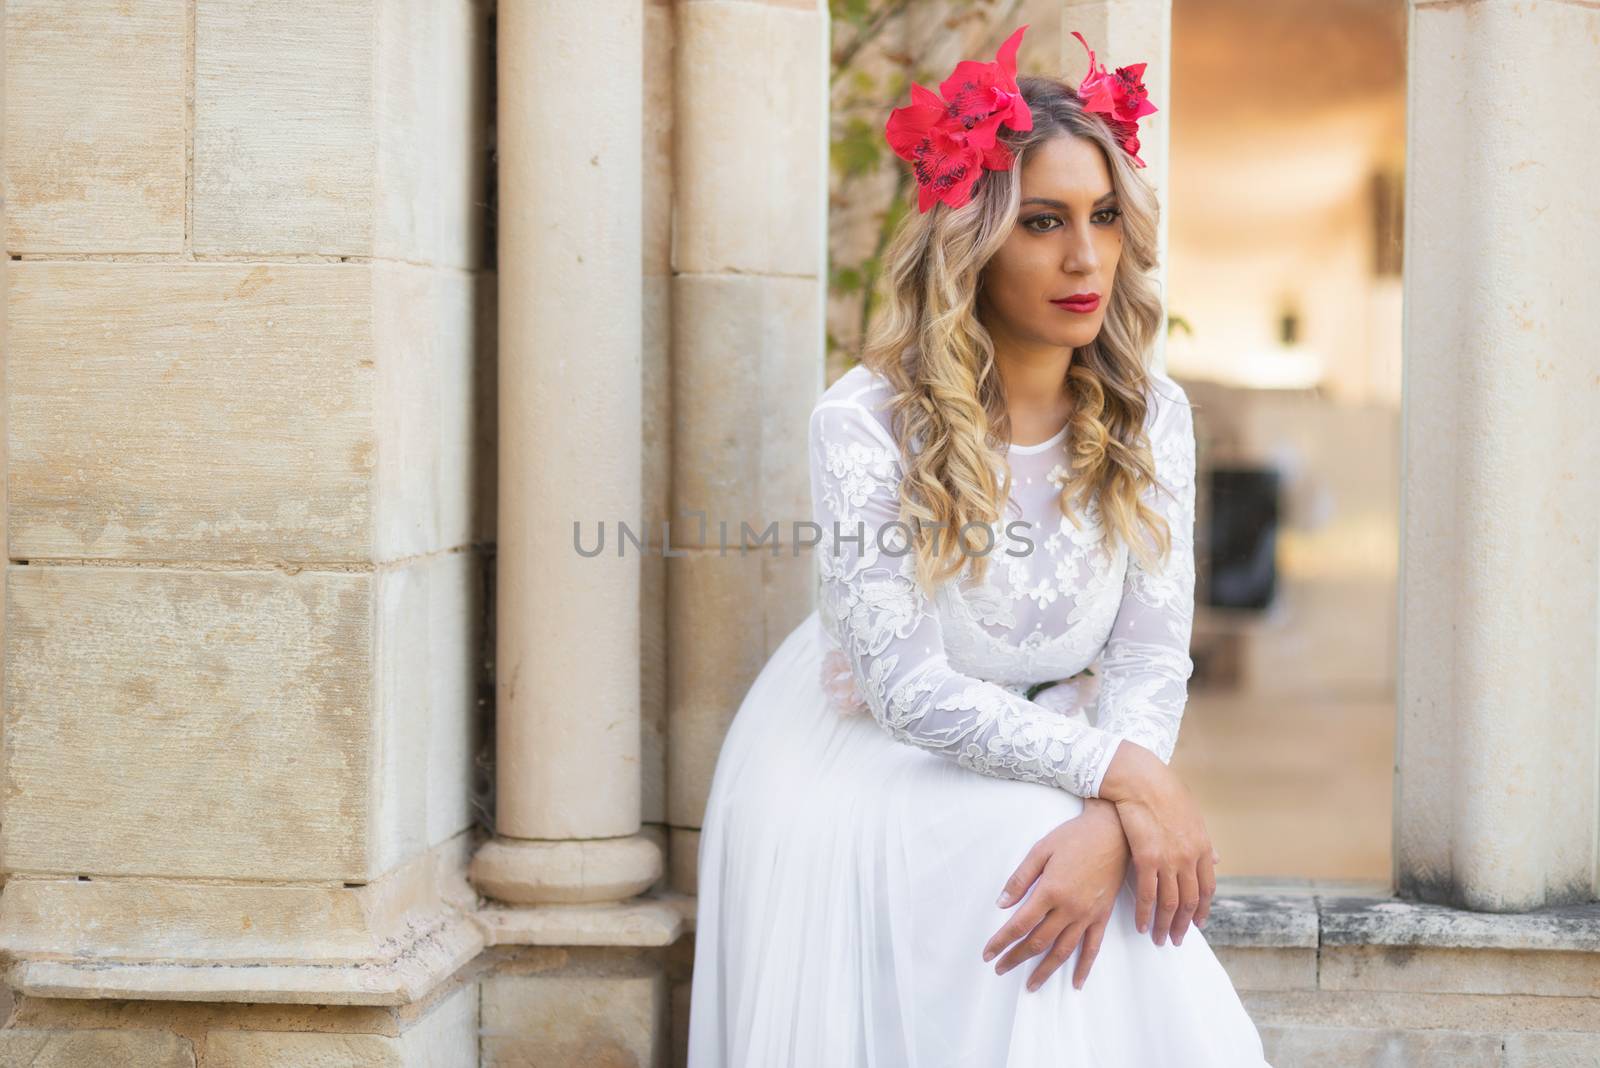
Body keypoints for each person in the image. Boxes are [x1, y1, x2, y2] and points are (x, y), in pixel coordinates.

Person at [686, 24, 1271, 1067]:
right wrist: (1131, 783)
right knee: (1026, 865)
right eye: (1042, 222)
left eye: (1101, 218)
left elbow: (1144, 655)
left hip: (1064, 743)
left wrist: (1110, 813)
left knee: (1101, 877)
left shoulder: (1154, 415)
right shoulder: (866, 422)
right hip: (873, 749)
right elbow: (908, 690)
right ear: (973, 237)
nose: (1084, 257)